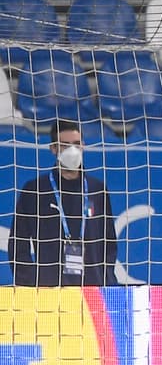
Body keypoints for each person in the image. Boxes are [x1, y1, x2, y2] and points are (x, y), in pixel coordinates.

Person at [8, 120, 118, 287]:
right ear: (53, 148)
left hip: (92, 291)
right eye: (65, 145)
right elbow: (18, 244)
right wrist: (30, 285)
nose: (72, 150)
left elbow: (109, 241)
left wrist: (107, 279)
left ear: (83, 145)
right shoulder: (35, 190)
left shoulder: (97, 189)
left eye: (76, 144)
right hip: (49, 292)